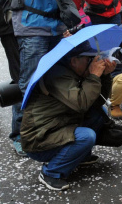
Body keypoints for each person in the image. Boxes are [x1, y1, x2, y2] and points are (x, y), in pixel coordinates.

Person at [7, 0, 80, 156]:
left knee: (59, 78)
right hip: (31, 30)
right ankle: (19, 134)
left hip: (54, 28)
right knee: (29, 82)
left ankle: (54, 125)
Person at [21, 41, 116, 191]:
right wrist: (94, 76)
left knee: (98, 113)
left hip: (59, 124)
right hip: (39, 139)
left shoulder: (75, 71)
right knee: (87, 136)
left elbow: (97, 102)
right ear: (73, 61)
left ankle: (79, 156)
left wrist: (104, 76)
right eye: (88, 59)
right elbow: (81, 103)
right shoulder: (57, 76)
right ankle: (51, 172)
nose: (93, 63)